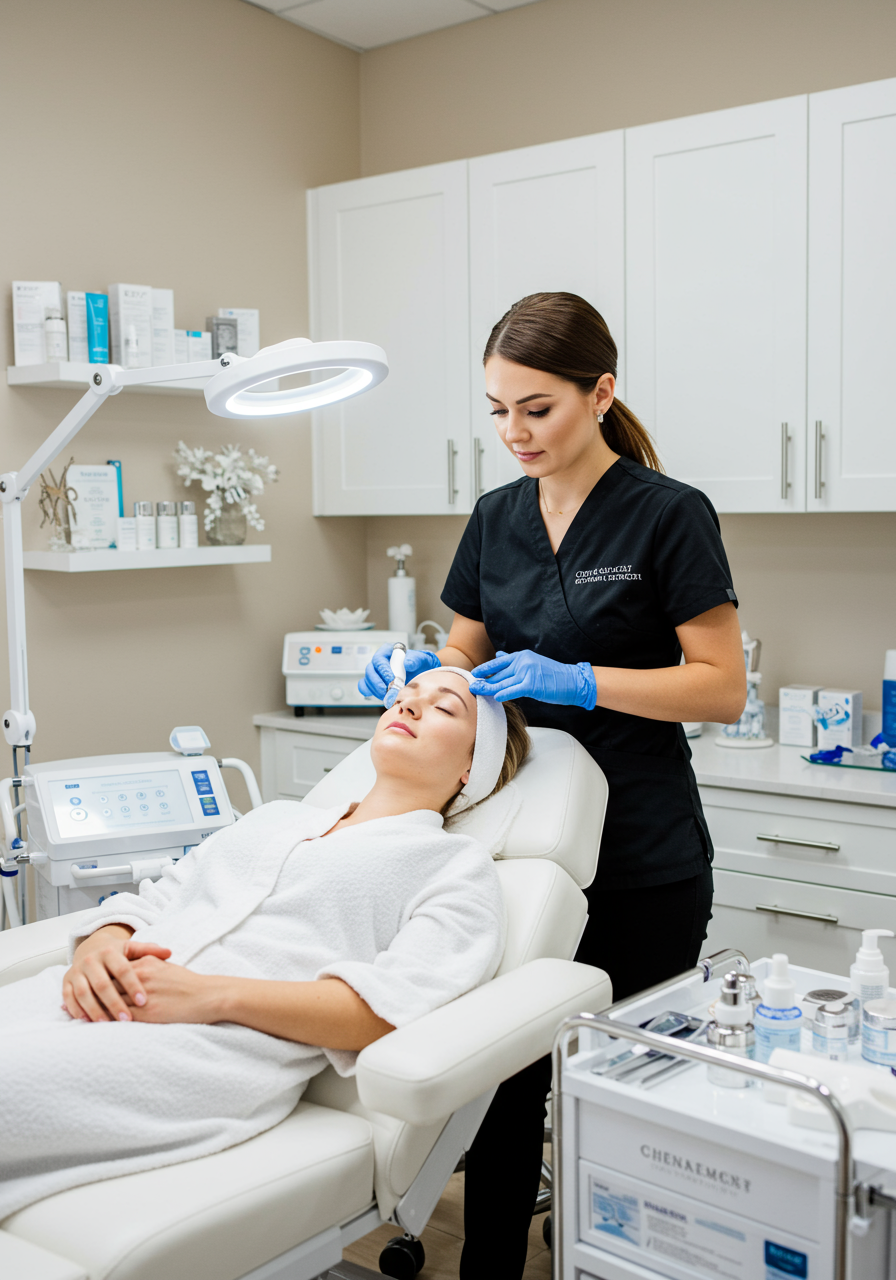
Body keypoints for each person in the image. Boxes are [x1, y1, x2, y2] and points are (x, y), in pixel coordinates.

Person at [360, 292, 747, 1279]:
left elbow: (720, 685)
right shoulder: (496, 518)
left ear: (599, 392)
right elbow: (463, 647)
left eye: (536, 408)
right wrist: (423, 671)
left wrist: (580, 680)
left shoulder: (667, 514)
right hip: (519, 847)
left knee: (632, 1091)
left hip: (642, 851)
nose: (514, 432)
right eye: (498, 410)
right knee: (503, 1083)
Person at [0, 669, 530, 1220]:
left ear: (473, 768)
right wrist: (97, 953)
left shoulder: (454, 867)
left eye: (444, 708)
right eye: (406, 695)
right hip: (91, 990)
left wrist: (210, 996)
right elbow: (158, 896)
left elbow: (391, 1006)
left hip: (210, 1046)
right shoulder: (278, 817)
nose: (409, 706)